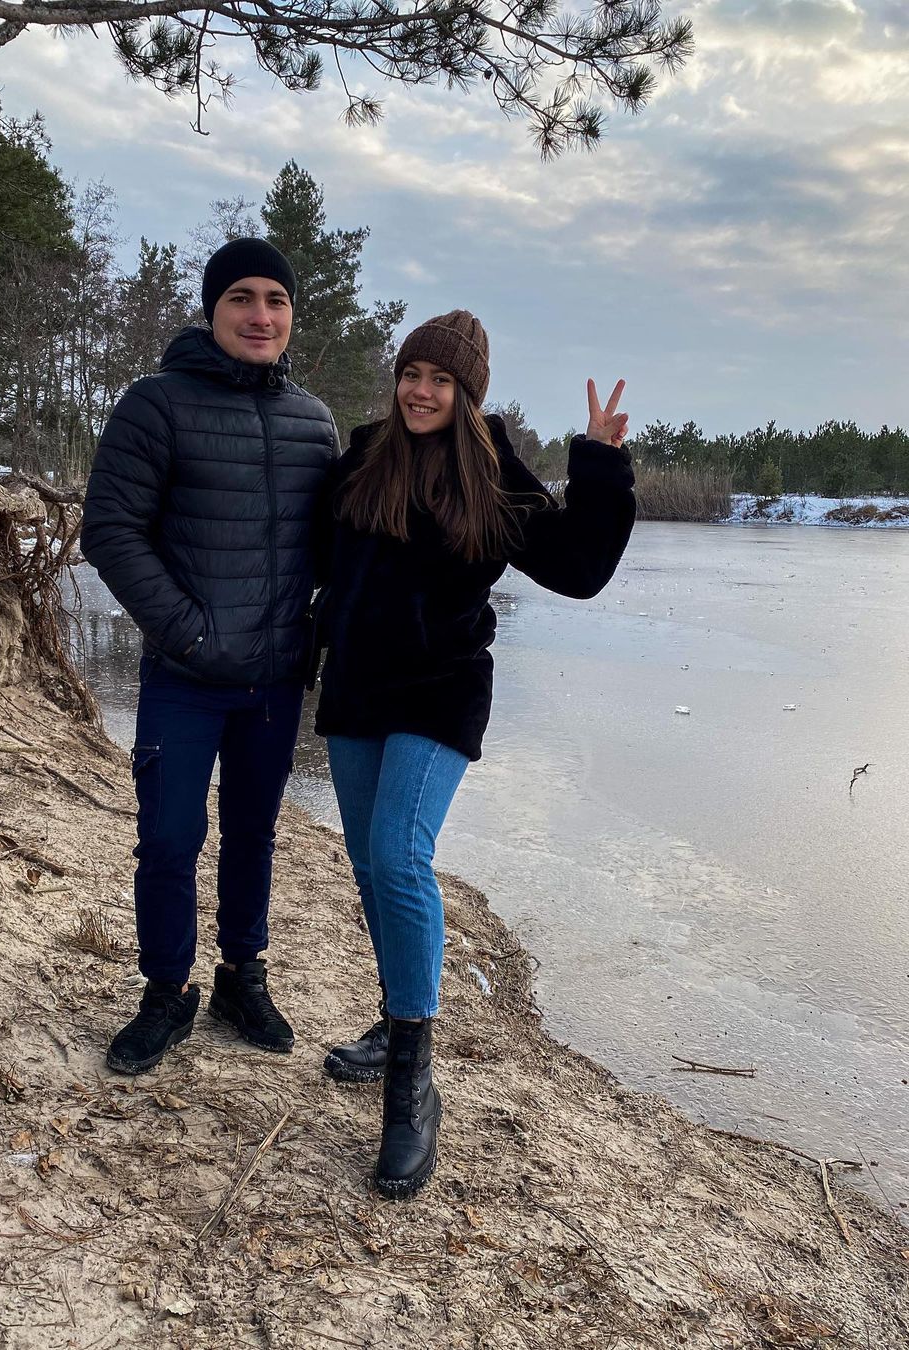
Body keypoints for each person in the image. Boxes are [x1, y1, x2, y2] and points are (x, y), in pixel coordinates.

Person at [311, 310, 635, 1197]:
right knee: (369, 866)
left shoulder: (492, 473)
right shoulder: (364, 456)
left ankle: (413, 1082)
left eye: (442, 381)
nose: (422, 391)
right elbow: (314, 556)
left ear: (469, 394)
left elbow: (577, 568)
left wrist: (599, 464)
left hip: (441, 688)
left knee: (399, 856)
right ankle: (394, 1020)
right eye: (413, 373)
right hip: (356, 690)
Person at [81, 239, 337, 1075]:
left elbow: (334, 545)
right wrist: (187, 632)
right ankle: (167, 992)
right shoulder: (155, 404)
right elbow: (110, 531)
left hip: (275, 681)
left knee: (253, 833)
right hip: (185, 677)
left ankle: (240, 976)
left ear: (291, 315)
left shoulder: (314, 422)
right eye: (242, 298)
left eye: (276, 300)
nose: (261, 315)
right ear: (212, 309)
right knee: (169, 837)